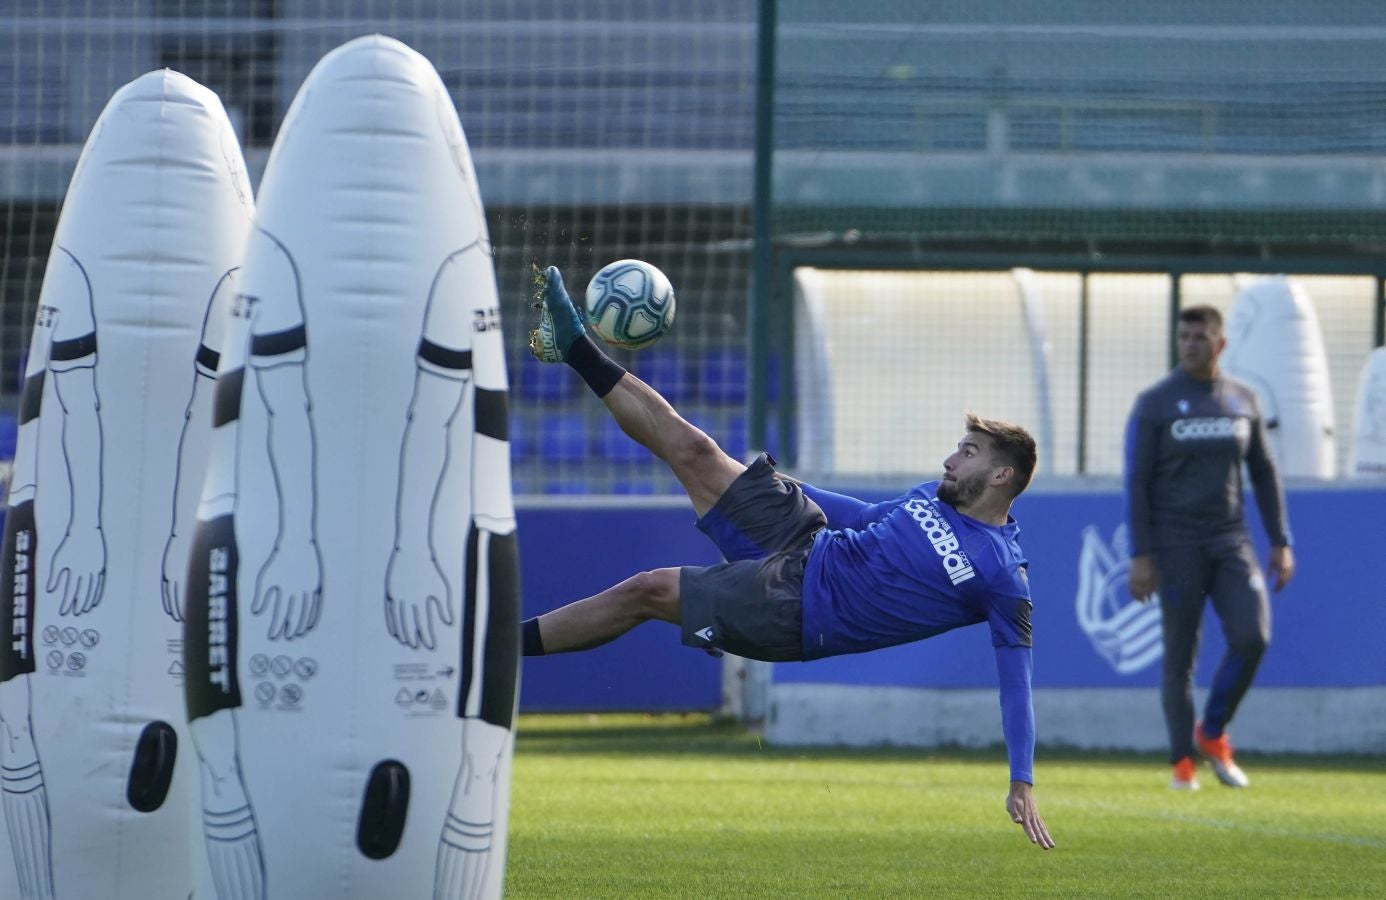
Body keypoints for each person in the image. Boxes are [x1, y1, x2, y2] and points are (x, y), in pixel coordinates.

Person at [522, 266, 1055, 850]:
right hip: (813, 540)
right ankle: (570, 345)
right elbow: (866, 519)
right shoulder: (933, 497)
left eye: (968, 453)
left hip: (797, 609)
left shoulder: (1002, 576)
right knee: (697, 449)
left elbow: (1016, 681)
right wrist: (784, 485)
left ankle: (501, 644)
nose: (951, 460)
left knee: (648, 590)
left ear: (1001, 476)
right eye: (957, 448)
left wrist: (1021, 778)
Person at [1125, 304, 1295, 791]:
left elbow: (1263, 472)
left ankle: (1213, 731)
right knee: (1181, 655)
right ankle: (1182, 760)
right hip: (1175, 543)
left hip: (1230, 539)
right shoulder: (1156, 402)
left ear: (1220, 343)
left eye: (1200, 336)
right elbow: (1138, 483)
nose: (1190, 344)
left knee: (1252, 636)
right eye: (1184, 336)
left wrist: (1281, 541)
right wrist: (1142, 554)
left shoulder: (1243, 399)